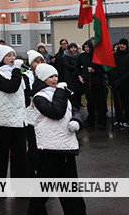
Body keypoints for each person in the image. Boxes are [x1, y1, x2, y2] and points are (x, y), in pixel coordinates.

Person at [27, 64, 86, 215]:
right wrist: (60, 91)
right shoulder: (39, 97)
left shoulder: (60, 93)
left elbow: (74, 110)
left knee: (71, 191)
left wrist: (77, 121)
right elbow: (57, 112)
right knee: (42, 191)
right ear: (42, 79)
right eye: (50, 77)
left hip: (66, 148)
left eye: (56, 76)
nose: (54, 79)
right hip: (49, 150)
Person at [0, 44, 28, 178]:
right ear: (1, 58)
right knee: (1, 154)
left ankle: (20, 188)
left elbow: (24, 93)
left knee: (20, 154)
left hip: (19, 119)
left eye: (13, 55)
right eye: (8, 55)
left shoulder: (18, 74)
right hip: (4, 120)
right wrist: (16, 71)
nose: (12, 58)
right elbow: (11, 87)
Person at [24, 51, 47, 176]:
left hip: (43, 113)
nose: (39, 64)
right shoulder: (26, 76)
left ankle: (43, 171)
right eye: (36, 62)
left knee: (42, 145)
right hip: (30, 114)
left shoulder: (46, 75)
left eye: (41, 61)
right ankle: (30, 172)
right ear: (31, 64)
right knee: (32, 145)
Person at [77, 40, 107, 129]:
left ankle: (101, 121)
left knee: (100, 102)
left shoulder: (97, 56)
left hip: (98, 82)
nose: (86, 49)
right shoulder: (81, 56)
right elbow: (77, 67)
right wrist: (80, 75)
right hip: (87, 82)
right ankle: (91, 120)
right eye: (85, 47)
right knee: (90, 102)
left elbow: (104, 69)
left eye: (88, 47)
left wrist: (95, 71)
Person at [108, 38, 129, 132]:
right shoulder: (114, 55)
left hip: (127, 83)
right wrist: (113, 79)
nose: (122, 46)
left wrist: (121, 79)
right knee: (118, 104)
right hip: (116, 84)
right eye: (120, 44)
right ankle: (119, 121)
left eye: (123, 44)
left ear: (126, 45)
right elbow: (110, 68)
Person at [61, 43, 83, 109]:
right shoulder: (66, 56)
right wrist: (77, 67)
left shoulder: (79, 55)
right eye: (72, 48)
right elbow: (67, 66)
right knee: (71, 93)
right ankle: (72, 107)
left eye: (75, 48)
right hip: (70, 77)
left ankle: (78, 105)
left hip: (78, 77)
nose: (73, 49)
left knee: (78, 93)